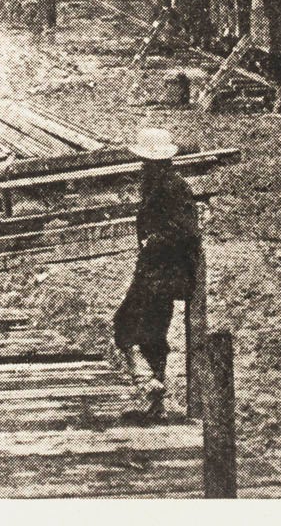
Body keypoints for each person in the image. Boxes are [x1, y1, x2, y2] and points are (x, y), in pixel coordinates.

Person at [113, 128, 201, 418]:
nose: (143, 166)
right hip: (156, 269)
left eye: (147, 161)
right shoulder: (157, 183)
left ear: (157, 162)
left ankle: (148, 383)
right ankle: (154, 402)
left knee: (128, 323)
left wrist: (154, 241)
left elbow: (187, 231)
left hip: (166, 271)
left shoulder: (173, 187)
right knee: (150, 331)